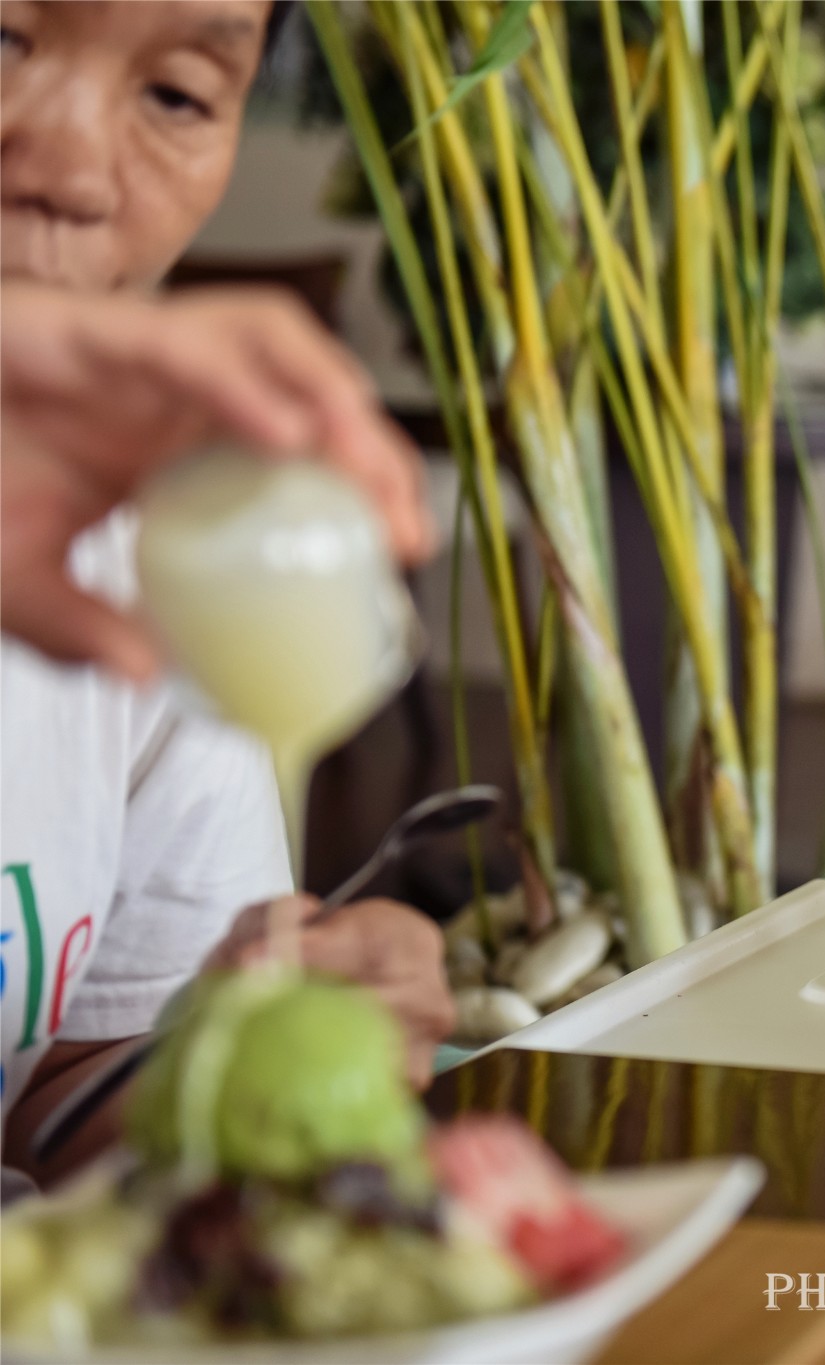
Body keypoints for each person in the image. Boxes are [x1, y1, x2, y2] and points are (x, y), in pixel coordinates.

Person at [0, 0, 452, 1184]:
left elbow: (50, 1095)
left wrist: (233, 1048)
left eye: (176, 97)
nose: (69, 171)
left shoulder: (144, 568)